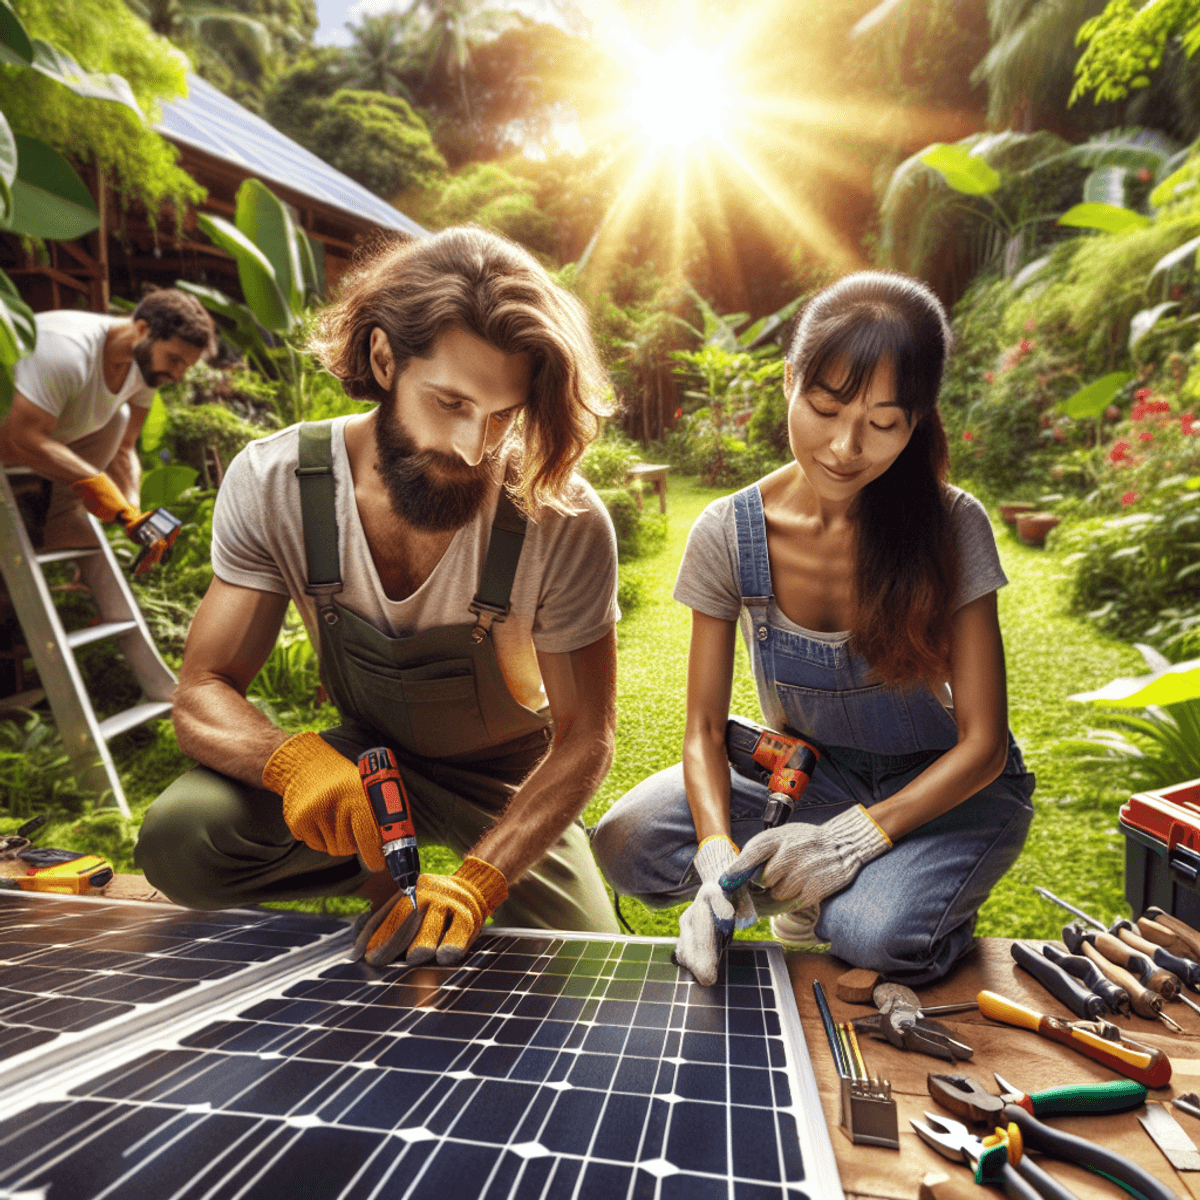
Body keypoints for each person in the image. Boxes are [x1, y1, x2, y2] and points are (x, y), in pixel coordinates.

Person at [135, 227, 622, 967]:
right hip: (366, 761)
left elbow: (586, 737)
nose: (473, 446)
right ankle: (380, 870)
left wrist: (483, 879)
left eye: (502, 415)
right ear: (385, 358)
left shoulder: (563, 518)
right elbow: (202, 689)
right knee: (183, 838)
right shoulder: (276, 483)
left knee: (584, 953)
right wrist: (292, 763)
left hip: (505, 780)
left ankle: (454, 880)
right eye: (451, 401)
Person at [593, 271, 1035, 987]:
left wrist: (853, 841)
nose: (844, 446)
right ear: (791, 380)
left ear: (916, 421)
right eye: (825, 408)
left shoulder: (953, 526)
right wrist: (712, 859)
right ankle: (812, 883)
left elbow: (984, 747)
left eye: (883, 423)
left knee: (878, 936)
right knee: (628, 841)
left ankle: (853, 892)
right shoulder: (729, 533)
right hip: (809, 780)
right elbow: (704, 731)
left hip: (946, 792)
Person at [0, 290, 215, 551]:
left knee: (118, 419)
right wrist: (94, 481)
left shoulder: (145, 366)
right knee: (114, 418)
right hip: (13, 432)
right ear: (142, 329)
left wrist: (132, 511)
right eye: (174, 360)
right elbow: (21, 436)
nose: (177, 376)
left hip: (35, 434)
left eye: (185, 367)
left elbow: (125, 445)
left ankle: (63, 521)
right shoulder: (69, 352)